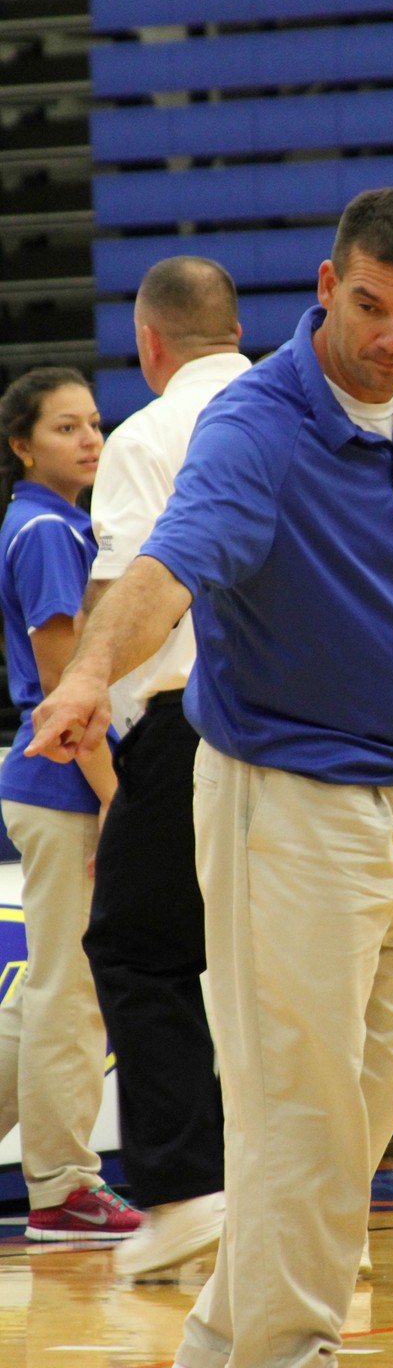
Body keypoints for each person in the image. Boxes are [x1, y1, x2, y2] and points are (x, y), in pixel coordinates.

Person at [29, 186, 393, 1368]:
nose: (390, 337)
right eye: (368, 307)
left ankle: (219, 1342)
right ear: (326, 287)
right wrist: (97, 671)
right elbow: (165, 565)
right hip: (287, 799)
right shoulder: (254, 427)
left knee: (361, 1103)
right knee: (304, 1105)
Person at [80, 256, 251, 1281]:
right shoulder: (301, 406)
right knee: (280, 970)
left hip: (190, 721)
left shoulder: (145, 437)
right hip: (318, 725)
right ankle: (316, 1215)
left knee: (139, 952)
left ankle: (186, 1192)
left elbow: (139, 598)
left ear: (151, 343)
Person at [0, 368, 140, 1241]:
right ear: (21, 444)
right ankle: (62, 1187)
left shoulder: (58, 521)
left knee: (36, 994)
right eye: (64, 428)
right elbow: (65, 691)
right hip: (66, 781)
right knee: (68, 991)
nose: (89, 440)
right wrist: (119, 801)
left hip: (46, 784)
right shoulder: (48, 529)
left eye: (93, 424)